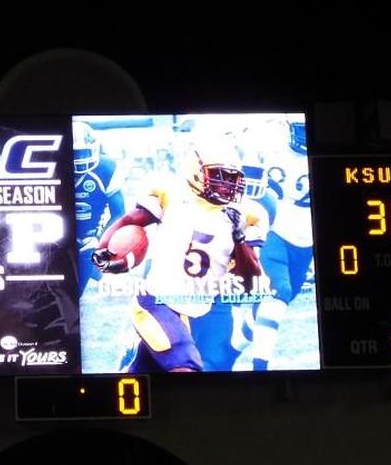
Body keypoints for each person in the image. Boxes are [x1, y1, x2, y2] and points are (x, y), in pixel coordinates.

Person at [92, 138, 263, 372]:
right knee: (186, 367)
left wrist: (239, 238)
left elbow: (249, 279)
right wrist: (103, 248)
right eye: (219, 175)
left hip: (195, 311)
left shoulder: (245, 214)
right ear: (197, 171)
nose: (227, 184)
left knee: (144, 375)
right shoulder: (172, 194)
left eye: (231, 178)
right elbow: (130, 220)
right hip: (156, 302)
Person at [244, 119, 314, 370]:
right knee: (279, 292)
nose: (305, 135)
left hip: (307, 236)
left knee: (281, 299)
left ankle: (240, 335)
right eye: (300, 129)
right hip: (274, 228)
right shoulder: (266, 142)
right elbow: (247, 190)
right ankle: (260, 368)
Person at [72, 120, 127, 297]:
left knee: (74, 294)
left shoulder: (105, 169)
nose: (79, 160)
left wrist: (100, 240)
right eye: (74, 154)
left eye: (83, 153)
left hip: (89, 239)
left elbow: (119, 213)